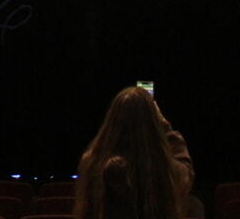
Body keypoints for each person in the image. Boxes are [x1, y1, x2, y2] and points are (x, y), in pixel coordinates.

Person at [75, 85, 194, 219]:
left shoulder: (93, 163)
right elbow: (185, 171)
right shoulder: (163, 170)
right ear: (153, 123)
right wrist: (165, 125)